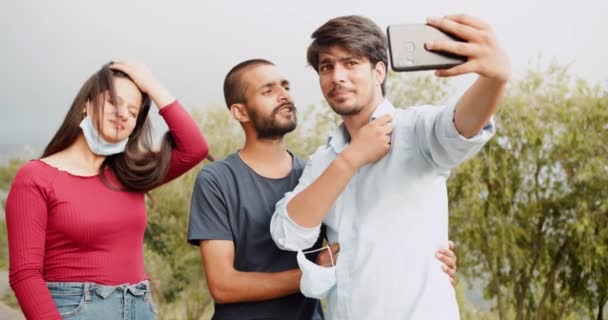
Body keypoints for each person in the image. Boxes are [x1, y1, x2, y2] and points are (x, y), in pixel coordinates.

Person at [270, 14, 509, 319]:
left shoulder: (415, 130)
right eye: (326, 67)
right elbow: (288, 233)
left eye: (351, 63)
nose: (337, 76)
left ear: (379, 71)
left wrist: (495, 79)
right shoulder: (324, 160)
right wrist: (351, 158)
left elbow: (459, 127)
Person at [187, 59, 457, 320]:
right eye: (268, 91)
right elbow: (223, 286)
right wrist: (314, 274)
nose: (283, 96)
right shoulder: (216, 180)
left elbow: (360, 237)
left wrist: (427, 258)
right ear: (240, 112)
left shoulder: (316, 173)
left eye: (286, 87)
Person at [6, 61, 209, 319]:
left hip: (140, 308)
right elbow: (25, 275)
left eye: (133, 111)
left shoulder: (132, 174)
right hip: (76, 310)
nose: (123, 113)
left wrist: (151, 85)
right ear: (86, 104)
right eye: (114, 101)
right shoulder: (37, 177)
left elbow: (195, 148)